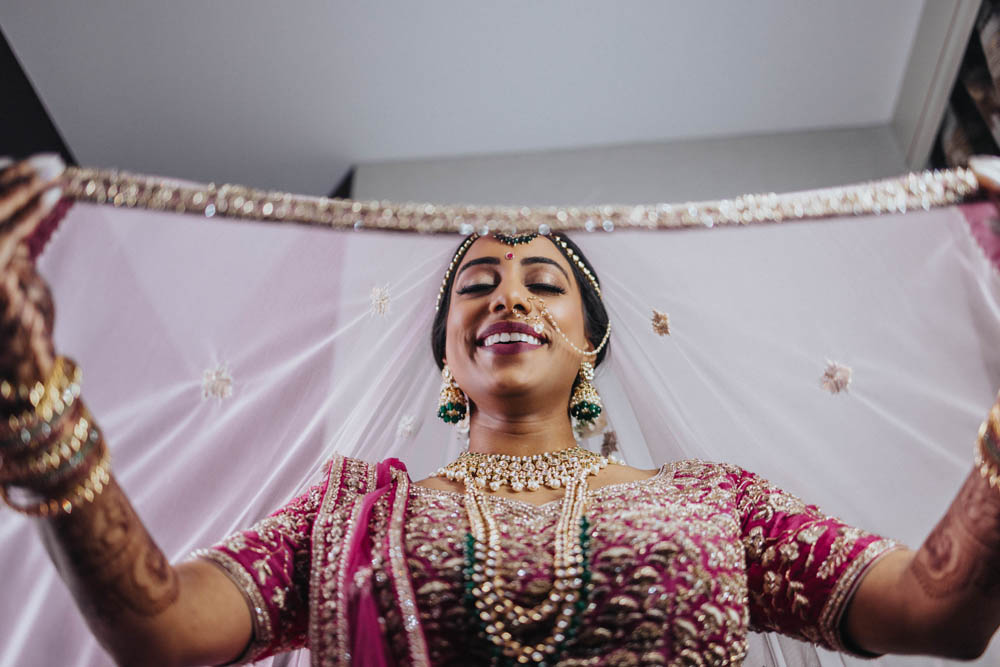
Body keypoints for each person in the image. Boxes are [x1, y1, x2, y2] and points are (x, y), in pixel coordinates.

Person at [2, 153, 1000, 667]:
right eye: (477, 282)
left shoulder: (717, 506)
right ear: (447, 353)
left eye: (542, 282)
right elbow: (166, 630)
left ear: (590, 345)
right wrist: (32, 405)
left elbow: (935, 610)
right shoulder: (347, 517)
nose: (507, 297)